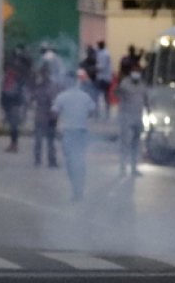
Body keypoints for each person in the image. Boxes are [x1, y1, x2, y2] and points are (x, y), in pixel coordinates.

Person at [51, 70, 96, 201]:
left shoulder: (62, 96)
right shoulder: (85, 96)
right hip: (82, 132)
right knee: (80, 161)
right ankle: (79, 189)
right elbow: (92, 111)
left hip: (69, 132)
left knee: (71, 162)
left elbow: (54, 113)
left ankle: (76, 189)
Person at [115, 66, 150, 176]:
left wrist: (148, 111)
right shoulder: (125, 83)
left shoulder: (142, 85)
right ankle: (123, 166)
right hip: (126, 116)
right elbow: (118, 94)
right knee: (125, 143)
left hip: (138, 117)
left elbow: (146, 99)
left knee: (136, 143)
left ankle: (134, 167)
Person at [31, 65, 59, 167]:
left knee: (49, 141)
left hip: (48, 116)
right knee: (40, 140)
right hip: (43, 116)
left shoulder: (50, 86)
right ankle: (39, 160)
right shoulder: (40, 86)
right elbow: (32, 98)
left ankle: (50, 160)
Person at [0, 60, 25, 152]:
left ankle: (14, 144)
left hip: (14, 105)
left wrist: (18, 105)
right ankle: (13, 144)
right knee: (12, 125)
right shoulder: (8, 78)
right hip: (9, 105)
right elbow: (4, 92)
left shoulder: (16, 79)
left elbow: (19, 94)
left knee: (14, 126)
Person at [95, 41, 114, 121]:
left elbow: (101, 67)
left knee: (101, 96)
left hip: (104, 78)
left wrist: (93, 68)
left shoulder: (104, 54)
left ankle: (103, 114)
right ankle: (105, 114)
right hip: (105, 78)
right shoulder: (104, 52)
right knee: (104, 97)